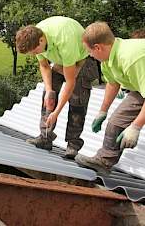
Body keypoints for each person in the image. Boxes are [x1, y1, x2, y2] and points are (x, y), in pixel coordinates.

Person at [16, 16, 99, 159]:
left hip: (81, 60)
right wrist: (49, 90)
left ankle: (72, 145)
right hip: (61, 59)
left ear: (42, 40)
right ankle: (45, 138)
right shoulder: (35, 37)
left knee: (77, 101)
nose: (35, 54)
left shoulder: (65, 40)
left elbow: (70, 82)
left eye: (35, 51)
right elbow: (44, 65)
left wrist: (57, 113)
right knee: (48, 97)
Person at [75, 22, 145, 174]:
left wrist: (135, 126)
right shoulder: (107, 60)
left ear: (98, 47)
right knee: (115, 122)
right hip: (140, 90)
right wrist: (103, 111)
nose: (90, 56)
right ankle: (104, 161)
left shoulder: (131, 58)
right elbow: (113, 84)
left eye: (90, 52)